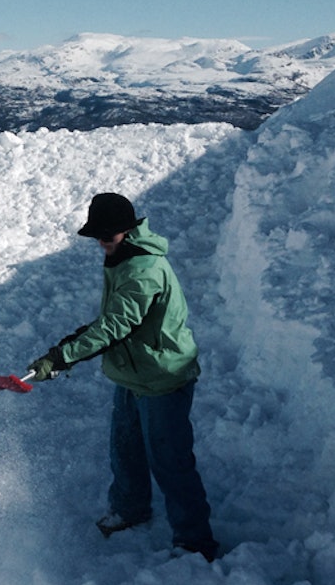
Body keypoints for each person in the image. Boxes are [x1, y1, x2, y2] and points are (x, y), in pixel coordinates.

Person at [27, 193, 219, 561]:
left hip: (162, 377)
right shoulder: (123, 257)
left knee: (170, 462)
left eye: (107, 236)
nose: (102, 243)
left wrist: (62, 357)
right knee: (126, 449)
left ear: (127, 231)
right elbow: (115, 318)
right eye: (98, 237)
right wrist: (69, 344)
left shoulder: (142, 270)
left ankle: (195, 541)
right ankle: (131, 509)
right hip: (135, 373)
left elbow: (116, 326)